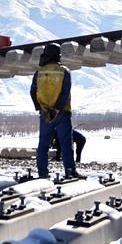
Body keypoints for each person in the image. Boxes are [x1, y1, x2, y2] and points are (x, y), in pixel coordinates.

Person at [30, 43, 82, 179]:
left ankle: (43, 173)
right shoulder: (64, 71)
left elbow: (32, 92)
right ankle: (70, 171)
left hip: (45, 114)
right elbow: (65, 92)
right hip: (62, 113)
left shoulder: (39, 72)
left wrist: (42, 109)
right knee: (66, 144)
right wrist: (56, 109)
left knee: (43, 145)